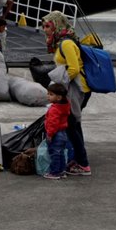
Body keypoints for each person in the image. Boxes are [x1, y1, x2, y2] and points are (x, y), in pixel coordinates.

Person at [46, 10, 92, 176]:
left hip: (76, 89)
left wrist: (60, 88)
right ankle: (79, 159)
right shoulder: (61, 42)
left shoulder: (66, 44)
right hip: (71, 88)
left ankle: (84, 164)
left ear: (56, 25)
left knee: (72, 126)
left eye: (47, 25)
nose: (45, 29)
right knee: (74, 125)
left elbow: (74, 68)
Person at [43, 82, 71, 180]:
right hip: (63, 133)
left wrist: (50, 134)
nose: (48, 96)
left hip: (56, 134)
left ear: (59, 97)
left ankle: (54, 172)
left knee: (54, 153)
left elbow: (52, 123)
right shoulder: (65, 105)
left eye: (51, 94)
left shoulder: (54, 109)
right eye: (48, 93)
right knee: (60, 153)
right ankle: (62, 171)